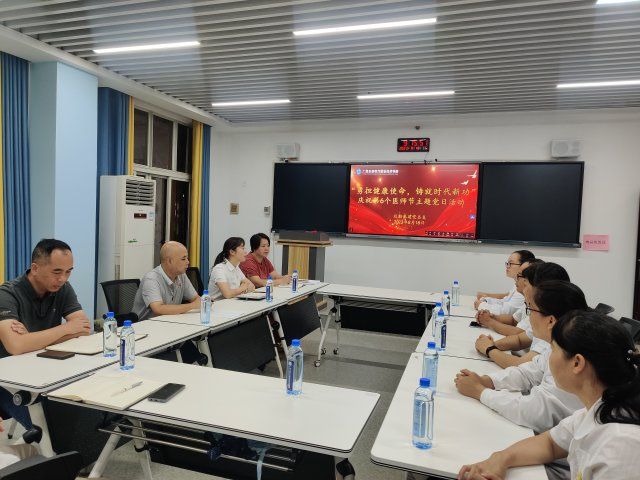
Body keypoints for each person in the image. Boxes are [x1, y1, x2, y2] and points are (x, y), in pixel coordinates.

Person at [458, 311, 640, 480]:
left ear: (577, 363)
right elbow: (550, 444)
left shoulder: (620, 445)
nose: (548, 358)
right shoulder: (597, 409)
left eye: (553, 350)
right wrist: (500, 458)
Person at [454, 281, 588, 435]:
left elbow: (535, 412)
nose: (528, 317)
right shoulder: (558, 345)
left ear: (551, 320)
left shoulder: (571, 355)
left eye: (531, 310)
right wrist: (486, 381)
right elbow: (527, 373)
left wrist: (480, 392)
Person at [0, 239, 91, 429]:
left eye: (68, 271)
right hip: (9, 380)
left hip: (45, 368)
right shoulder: (7, 294)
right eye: (57, 272)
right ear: (35, 268)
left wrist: (30, 338)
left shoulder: (63, 289)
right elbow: (16, 346)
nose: (63, 279)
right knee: (54, 429)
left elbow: (83, 329)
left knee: (86, 407)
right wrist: (66, 329)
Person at [476, 262, 569, 368]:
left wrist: (489, 348)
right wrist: (492, 344)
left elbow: (520, 364)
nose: (523, 287)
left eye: (526, 283)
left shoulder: (554, 331)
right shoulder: (541, 312)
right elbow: (520, 339)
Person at [132, 241, 200, 321]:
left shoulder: (181, 275)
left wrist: (197, 303)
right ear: (169, 261)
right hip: (146, 325)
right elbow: (158, 309)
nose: (188, 262)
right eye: (183, 259)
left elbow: (196, 299)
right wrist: (192, 306)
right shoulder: (151, 279)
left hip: (170, 321)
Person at [475, 259, 544, 338]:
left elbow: (520, 334)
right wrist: (491, 317)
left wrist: (489, 321)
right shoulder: (527, 300)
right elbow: (513, 320)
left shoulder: (538, 305)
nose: (516, 278)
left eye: (519, 275)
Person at [475, 250, 535, 315]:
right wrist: (486, 300)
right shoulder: (517, 284)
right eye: (507, 263)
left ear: (524, 266)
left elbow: (506, 312)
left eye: (511, 263)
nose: (507, 266)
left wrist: (481, 305)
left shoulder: (524, 288)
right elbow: (505, 301)